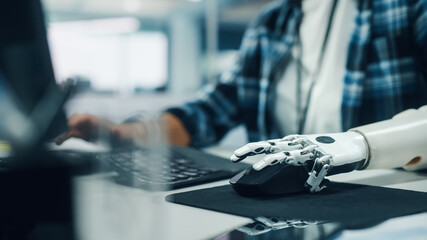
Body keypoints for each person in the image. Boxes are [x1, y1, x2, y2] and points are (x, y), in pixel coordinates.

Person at [56, 0, 427, 175]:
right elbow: (211, 110)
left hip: (384, 205)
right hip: (282, 208)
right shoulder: (273, 23)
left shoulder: (403, 7)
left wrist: (351, 146)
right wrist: (123, 133)